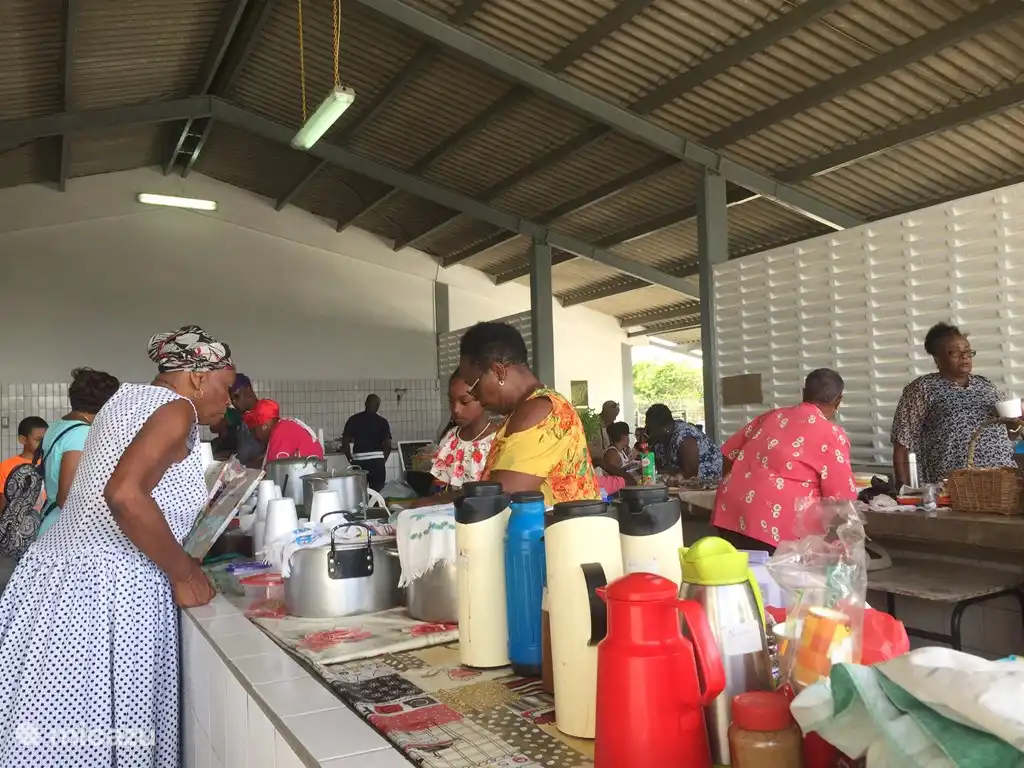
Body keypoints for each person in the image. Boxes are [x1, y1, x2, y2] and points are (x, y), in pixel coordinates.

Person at [0, 324, 233, 766]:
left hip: (54, 578)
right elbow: (125, 495)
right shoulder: (176, 408)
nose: (229, 399)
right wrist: (184, 572)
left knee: (54, 730)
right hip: (108, 590)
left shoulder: (122, 401)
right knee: (103, 733)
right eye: (226, 385)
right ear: (199, 376)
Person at [712, 369, 857, 553]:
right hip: (771, 524)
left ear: (804, 393)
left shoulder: (772, 416)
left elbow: (727, 454)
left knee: (737, 573)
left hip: (729, 511)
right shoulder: (831, 434)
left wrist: (738, 486)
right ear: (839, 401)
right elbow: (841, 498)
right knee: (770, 578)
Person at [458, 322, 599, 506]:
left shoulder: (539, 410)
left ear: (499, 372)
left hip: (559, 532)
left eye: (474, 386)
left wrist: (436, 501)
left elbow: (500, 497)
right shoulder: (526, 410)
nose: (474, 396)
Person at [891, 322, 1015, 486]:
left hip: (1001, 485)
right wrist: (905, 492)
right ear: (937, 359)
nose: (964, 356)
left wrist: (1016, 422)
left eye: (968, 351)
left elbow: (1011, 433)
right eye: (955, 353)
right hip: (952, 488)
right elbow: (902, 444)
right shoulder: (922, 389)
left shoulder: (987, 386)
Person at [36, 367, 121, 539]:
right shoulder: (82, 433)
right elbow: (66, 497)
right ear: (107, 403)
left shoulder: (57, 426)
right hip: (66, 528)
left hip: (50, 519)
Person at [421, 372, 497, 502]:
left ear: (484, 400)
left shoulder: (497, 440)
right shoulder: (451, 438)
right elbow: (438, 486)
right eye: (451, 401)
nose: (456, 409)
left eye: (464, 401)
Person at [644, 403, 722, 484]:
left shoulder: (685, 437)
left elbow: (691, 473)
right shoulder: (660, 441)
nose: (649, 433)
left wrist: (668, 474)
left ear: (666, 428)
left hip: (708, 484)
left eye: (651, 429)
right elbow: (657, 468)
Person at [243, 399, 325, 466]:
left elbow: (274, 471)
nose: (255, 436)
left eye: (254, 430)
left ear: (264, 426)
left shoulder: (280, 432)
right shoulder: (285, 426)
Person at [342, 395, 393, 492]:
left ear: (365, 404)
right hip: (377, 463)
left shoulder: (353, 419)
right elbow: (388, 445)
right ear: (378, 406)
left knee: (359, 494)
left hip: (359, 462)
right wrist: (382, 459)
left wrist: (350, 458)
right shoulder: (382, 422)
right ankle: (376, 507)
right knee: (377, 494)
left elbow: (345, 441)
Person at [0, 417, 47, 511]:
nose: (43, 444)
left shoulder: (48, 463)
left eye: (46, 439)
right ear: (23, 440)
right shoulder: (6, 466)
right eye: (38, 440)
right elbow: (3, 503)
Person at [589, 400, 619, 467]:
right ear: (606, 412)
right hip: (595, 463)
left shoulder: (611, 425)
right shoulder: (592, 424)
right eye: (613, 415)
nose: (615, 418)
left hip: (607, 462)